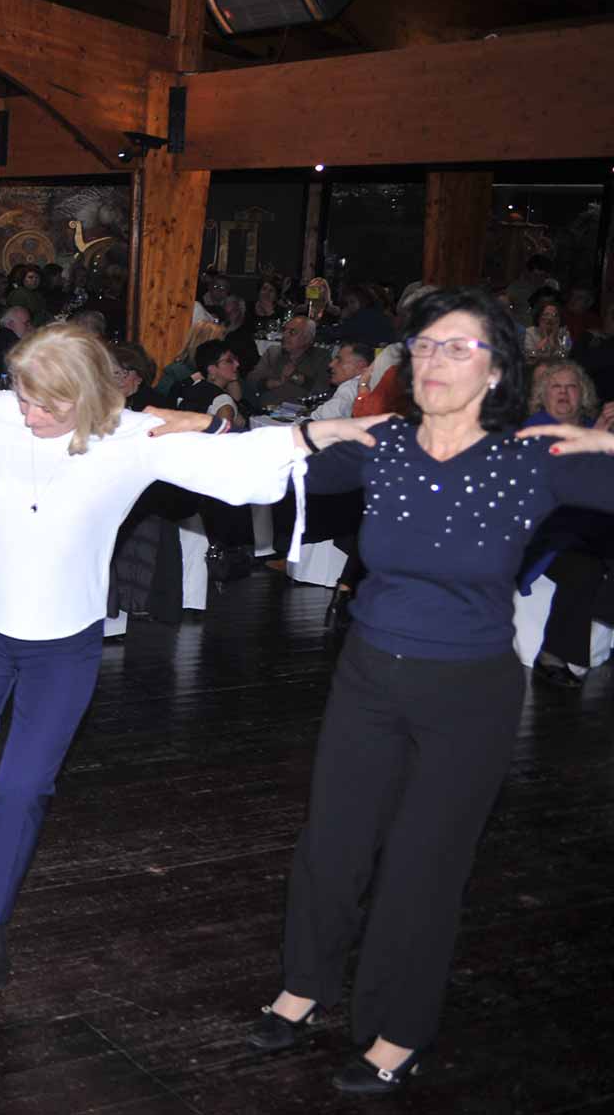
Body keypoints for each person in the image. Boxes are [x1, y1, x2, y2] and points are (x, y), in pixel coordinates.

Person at [0, 325, 379, 992]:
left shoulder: (131, 438)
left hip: (63, 646)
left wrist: (319, 433)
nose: (29, 415)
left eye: (46, 405)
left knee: (24, 786)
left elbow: (235, 463)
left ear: (85, 395)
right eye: (23, 397)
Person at [247, 290, 614, 1096]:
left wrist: (602, 438)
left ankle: (399, 1030)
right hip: (368, 675)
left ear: (498, 370)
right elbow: (253, 467)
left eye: (457, 348)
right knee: (332, 843)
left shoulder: (533, 458)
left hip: (468, 692)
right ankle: (305, 986)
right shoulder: (383, 443)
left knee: (425, 864)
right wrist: (299, 432)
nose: (433, 360)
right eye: (423, 346)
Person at [248, 315, 329, 409]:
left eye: (292, 332)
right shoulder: (273, 352)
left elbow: (324, 389)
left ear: (308, 338)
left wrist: (295, 376)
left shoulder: (320, 357)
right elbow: (251, 380)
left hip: (300, 412)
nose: (285, 335)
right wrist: (271, 383)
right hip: (267, 410)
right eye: (284, 331)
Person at [310, 342, 376, 421]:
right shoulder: (374, 384)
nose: (331, 364)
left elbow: (323, 418)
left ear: (360, 366)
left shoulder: (350, 386)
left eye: (339, 360)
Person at [524, 295, 573, 361]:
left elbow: (565, 357)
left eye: (554, 315)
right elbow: (531, 358)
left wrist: (554, 340)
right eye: (546, 314)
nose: (550, 318)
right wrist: (545, 338)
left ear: (559, 319)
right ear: (539, 317)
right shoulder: (529, 332)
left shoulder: (565, 334)